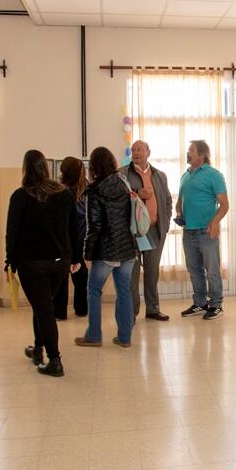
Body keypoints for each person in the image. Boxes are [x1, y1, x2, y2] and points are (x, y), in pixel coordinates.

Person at [5, 149, 80, 377]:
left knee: (43, 309)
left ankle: (55, 361)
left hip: (32, 264)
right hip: (60, 262)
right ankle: (38, 350)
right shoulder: (64, 194)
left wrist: (10, 261)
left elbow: (12, 233)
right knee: (43, 305)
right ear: (47, 168)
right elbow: (74, 229)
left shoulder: (20, 196)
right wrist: (75, 258)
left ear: (25, 169)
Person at [75, 147, 138, 348]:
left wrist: (87, 253)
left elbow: (94, 227)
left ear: (93, 166)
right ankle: (125, 337)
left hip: (106, 250)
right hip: (127, 248)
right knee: (124, 292)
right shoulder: (123, 182)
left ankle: (94, 335)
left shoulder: (94, 191)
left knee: (93, 290)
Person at [120, 140, 173, 322]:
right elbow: (118, 199)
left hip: (154, 231)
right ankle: (131, 312)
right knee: (131, 274)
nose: (136, 153)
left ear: (148, 152)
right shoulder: (122, 174)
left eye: (140, 149)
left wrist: (164, 224)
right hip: (132, 233)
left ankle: (152, 309)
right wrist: (136, 192)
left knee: (152, 272)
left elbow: (167, 200)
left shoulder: (159, 175)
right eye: (134, 150)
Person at [178, 140, 229, 320]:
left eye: (191, 150)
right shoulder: (185, 175)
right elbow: (181, 199)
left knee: (212, 270)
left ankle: (216, 305)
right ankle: (200, 303)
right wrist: (179, 209)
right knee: (194, 270)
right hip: (188, 231)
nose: (188, 152)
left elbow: (224, 205)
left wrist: (215, 222)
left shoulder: (214, 175)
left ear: (201, 155)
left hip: (206, 232)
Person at [53, 156, 89, 320]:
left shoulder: (57, 190)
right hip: (81, 238)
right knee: (80, 277)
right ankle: (81, 309)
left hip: (63, 240)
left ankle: (60, 312)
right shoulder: (85, 189)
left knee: (61, 277)